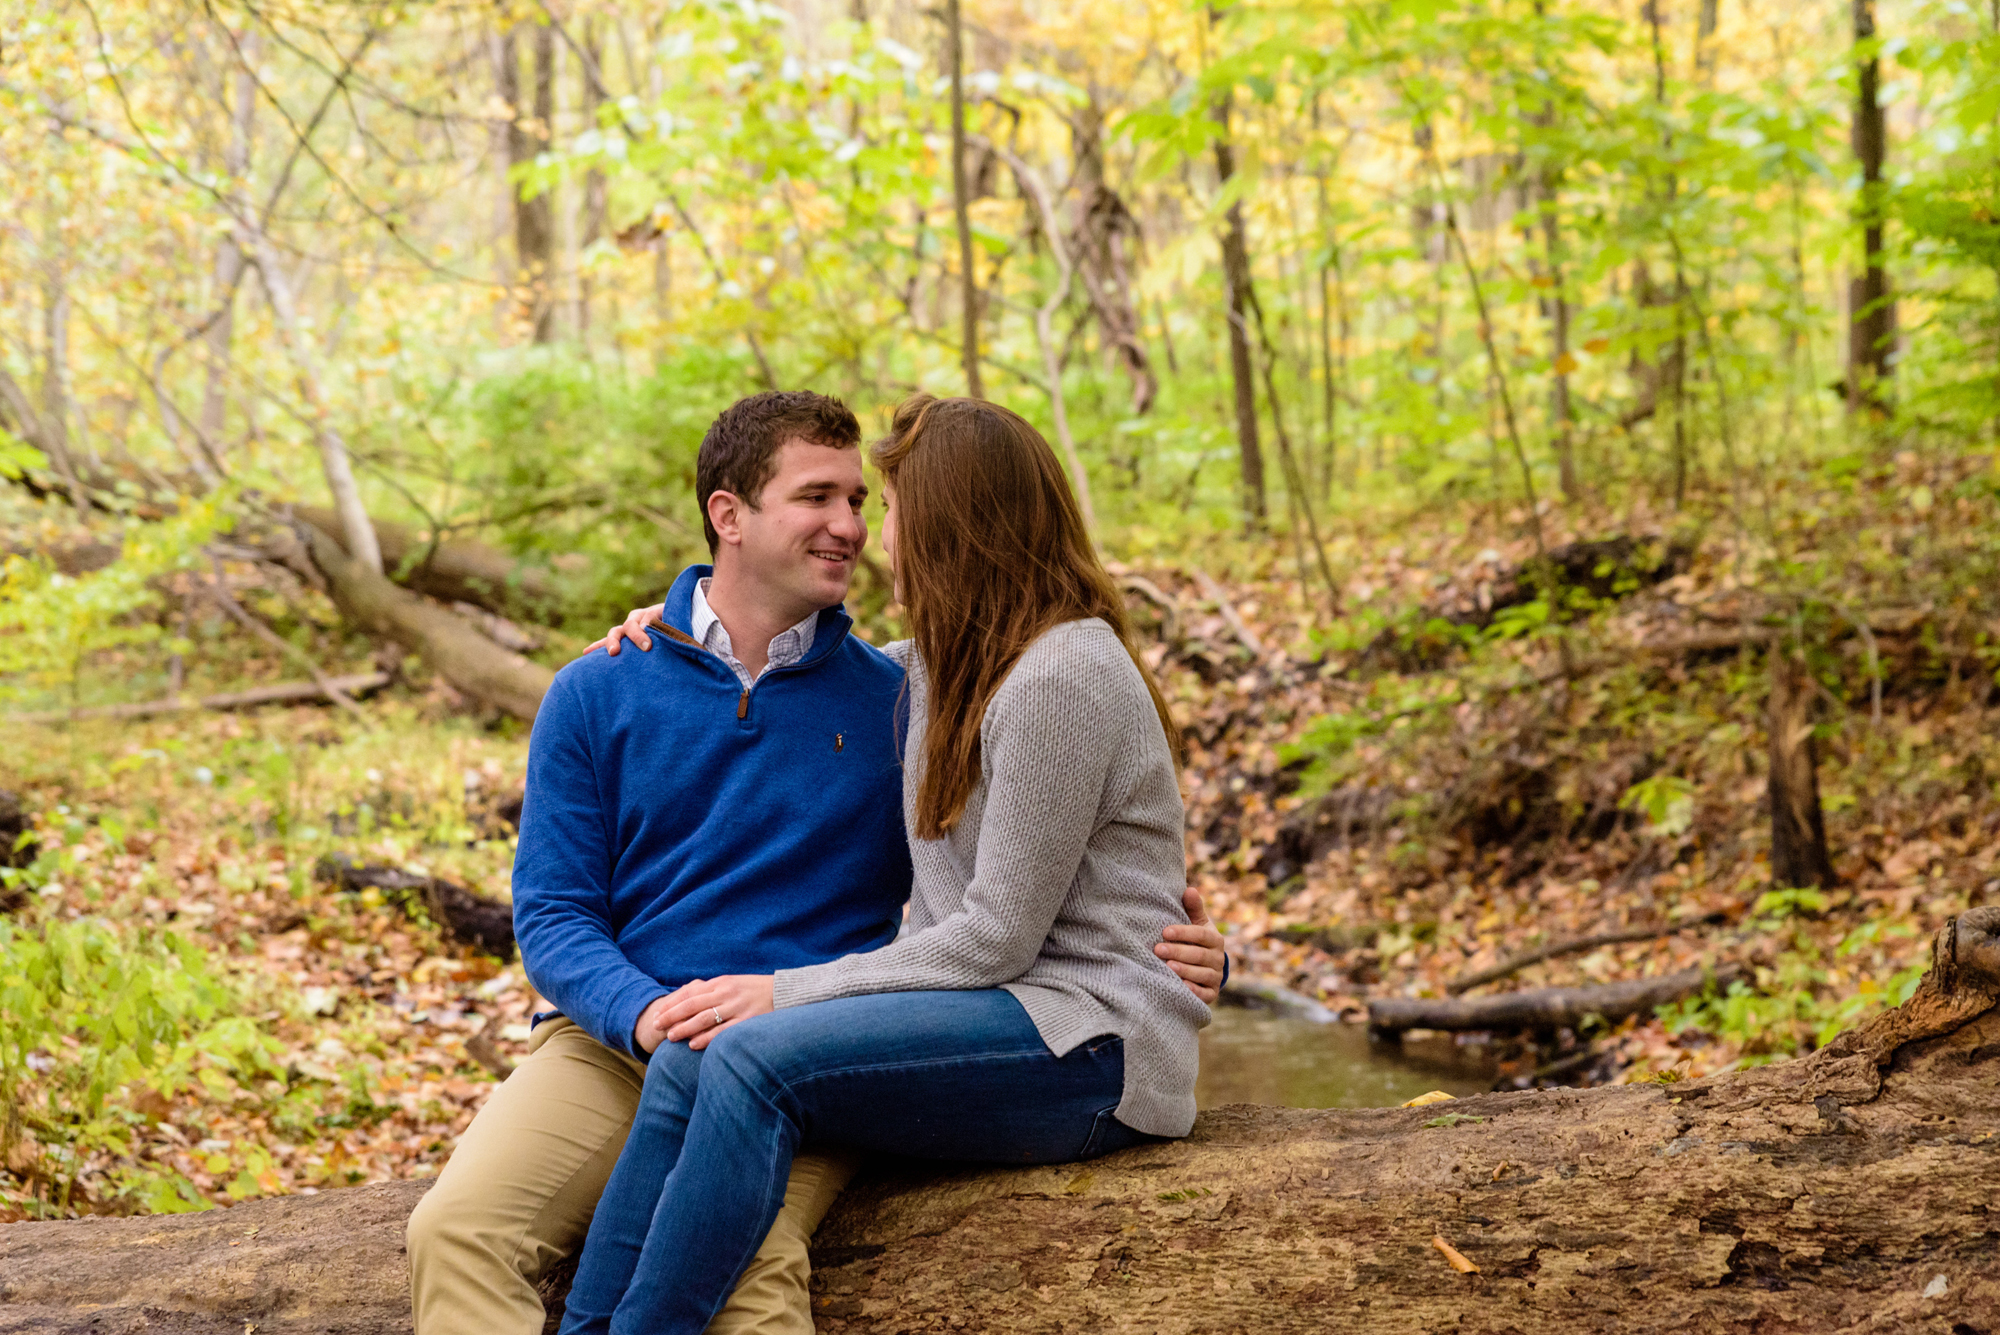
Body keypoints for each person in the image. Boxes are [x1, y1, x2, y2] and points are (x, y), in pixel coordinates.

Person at [405, 391, 1227, 1335]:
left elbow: (1061, 884)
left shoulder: (903, 693)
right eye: (819, 498)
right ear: (730, 516)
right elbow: (550, 914)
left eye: (869, 504)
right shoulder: (605, 684)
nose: (856, 529)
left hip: (805, 1034)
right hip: (622, 1039)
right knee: (458, 1229)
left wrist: (1200, 954)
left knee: (747, 1266)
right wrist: (641, 1013)